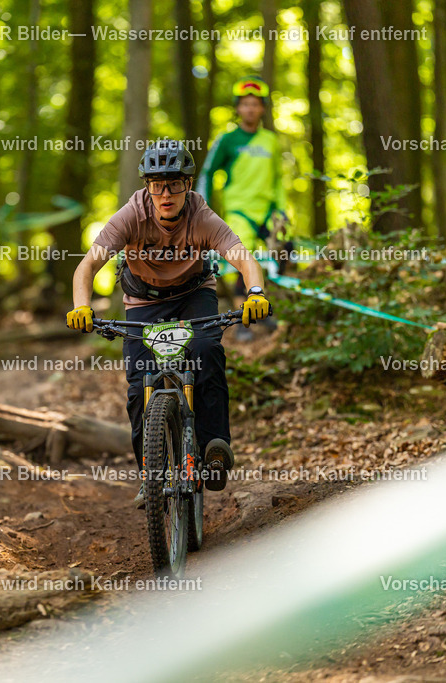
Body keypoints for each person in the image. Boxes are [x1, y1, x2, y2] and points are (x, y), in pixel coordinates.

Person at [66, 140, 271, 506]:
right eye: (157, 184)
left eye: (174, 183)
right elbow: (87, 266)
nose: (166, 193)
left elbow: (242, 256)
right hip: (143, 301)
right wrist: (82, 306)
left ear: (188, 185)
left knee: (207, 351)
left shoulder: (201, 216)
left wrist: (255, 292)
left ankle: (214, 448)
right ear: (147, 187)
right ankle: (150, 473)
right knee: (137, 387)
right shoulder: (131, 215)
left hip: (194, 295)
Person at [197, 76, 287, 339]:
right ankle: (241, 321)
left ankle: (262, 308)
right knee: (241, 263)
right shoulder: (227, 140)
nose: (250, 109)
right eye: (245, 104)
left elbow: (278, 179)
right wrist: (206, 211)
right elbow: (207, 173)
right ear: (238, 108)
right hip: (239, 212)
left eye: (255, 104)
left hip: (269, 213)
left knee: (284, 254)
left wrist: (281, 211)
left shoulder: (271, 141)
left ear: (262, 108)